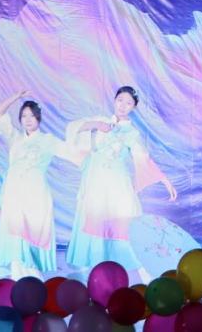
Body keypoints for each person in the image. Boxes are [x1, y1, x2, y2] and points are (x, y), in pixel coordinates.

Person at [65, 86, 177, 279]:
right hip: (96, 183)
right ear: (114, 100)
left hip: (117, 184)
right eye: (120, 100)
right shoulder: (100, 121)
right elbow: (73, 129)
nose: (123, 105)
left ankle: (143, 273)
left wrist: (164, 179)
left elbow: (143, 158)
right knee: (96, 221)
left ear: (133, 107)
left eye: (128, 103)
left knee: (125, 220)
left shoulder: (132, 133)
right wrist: (95, 124)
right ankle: (98, 272)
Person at [0, 90, 79, 278]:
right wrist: (15, 96)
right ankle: (18, 274)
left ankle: (32, 274)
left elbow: (72, 153)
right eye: (24, 116)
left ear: (39, 118)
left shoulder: (48, 140)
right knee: (15, 231)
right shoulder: (15, 137)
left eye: (32, 116)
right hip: (14, 191)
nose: (28, 120)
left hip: (36, 193)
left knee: (32, 230)